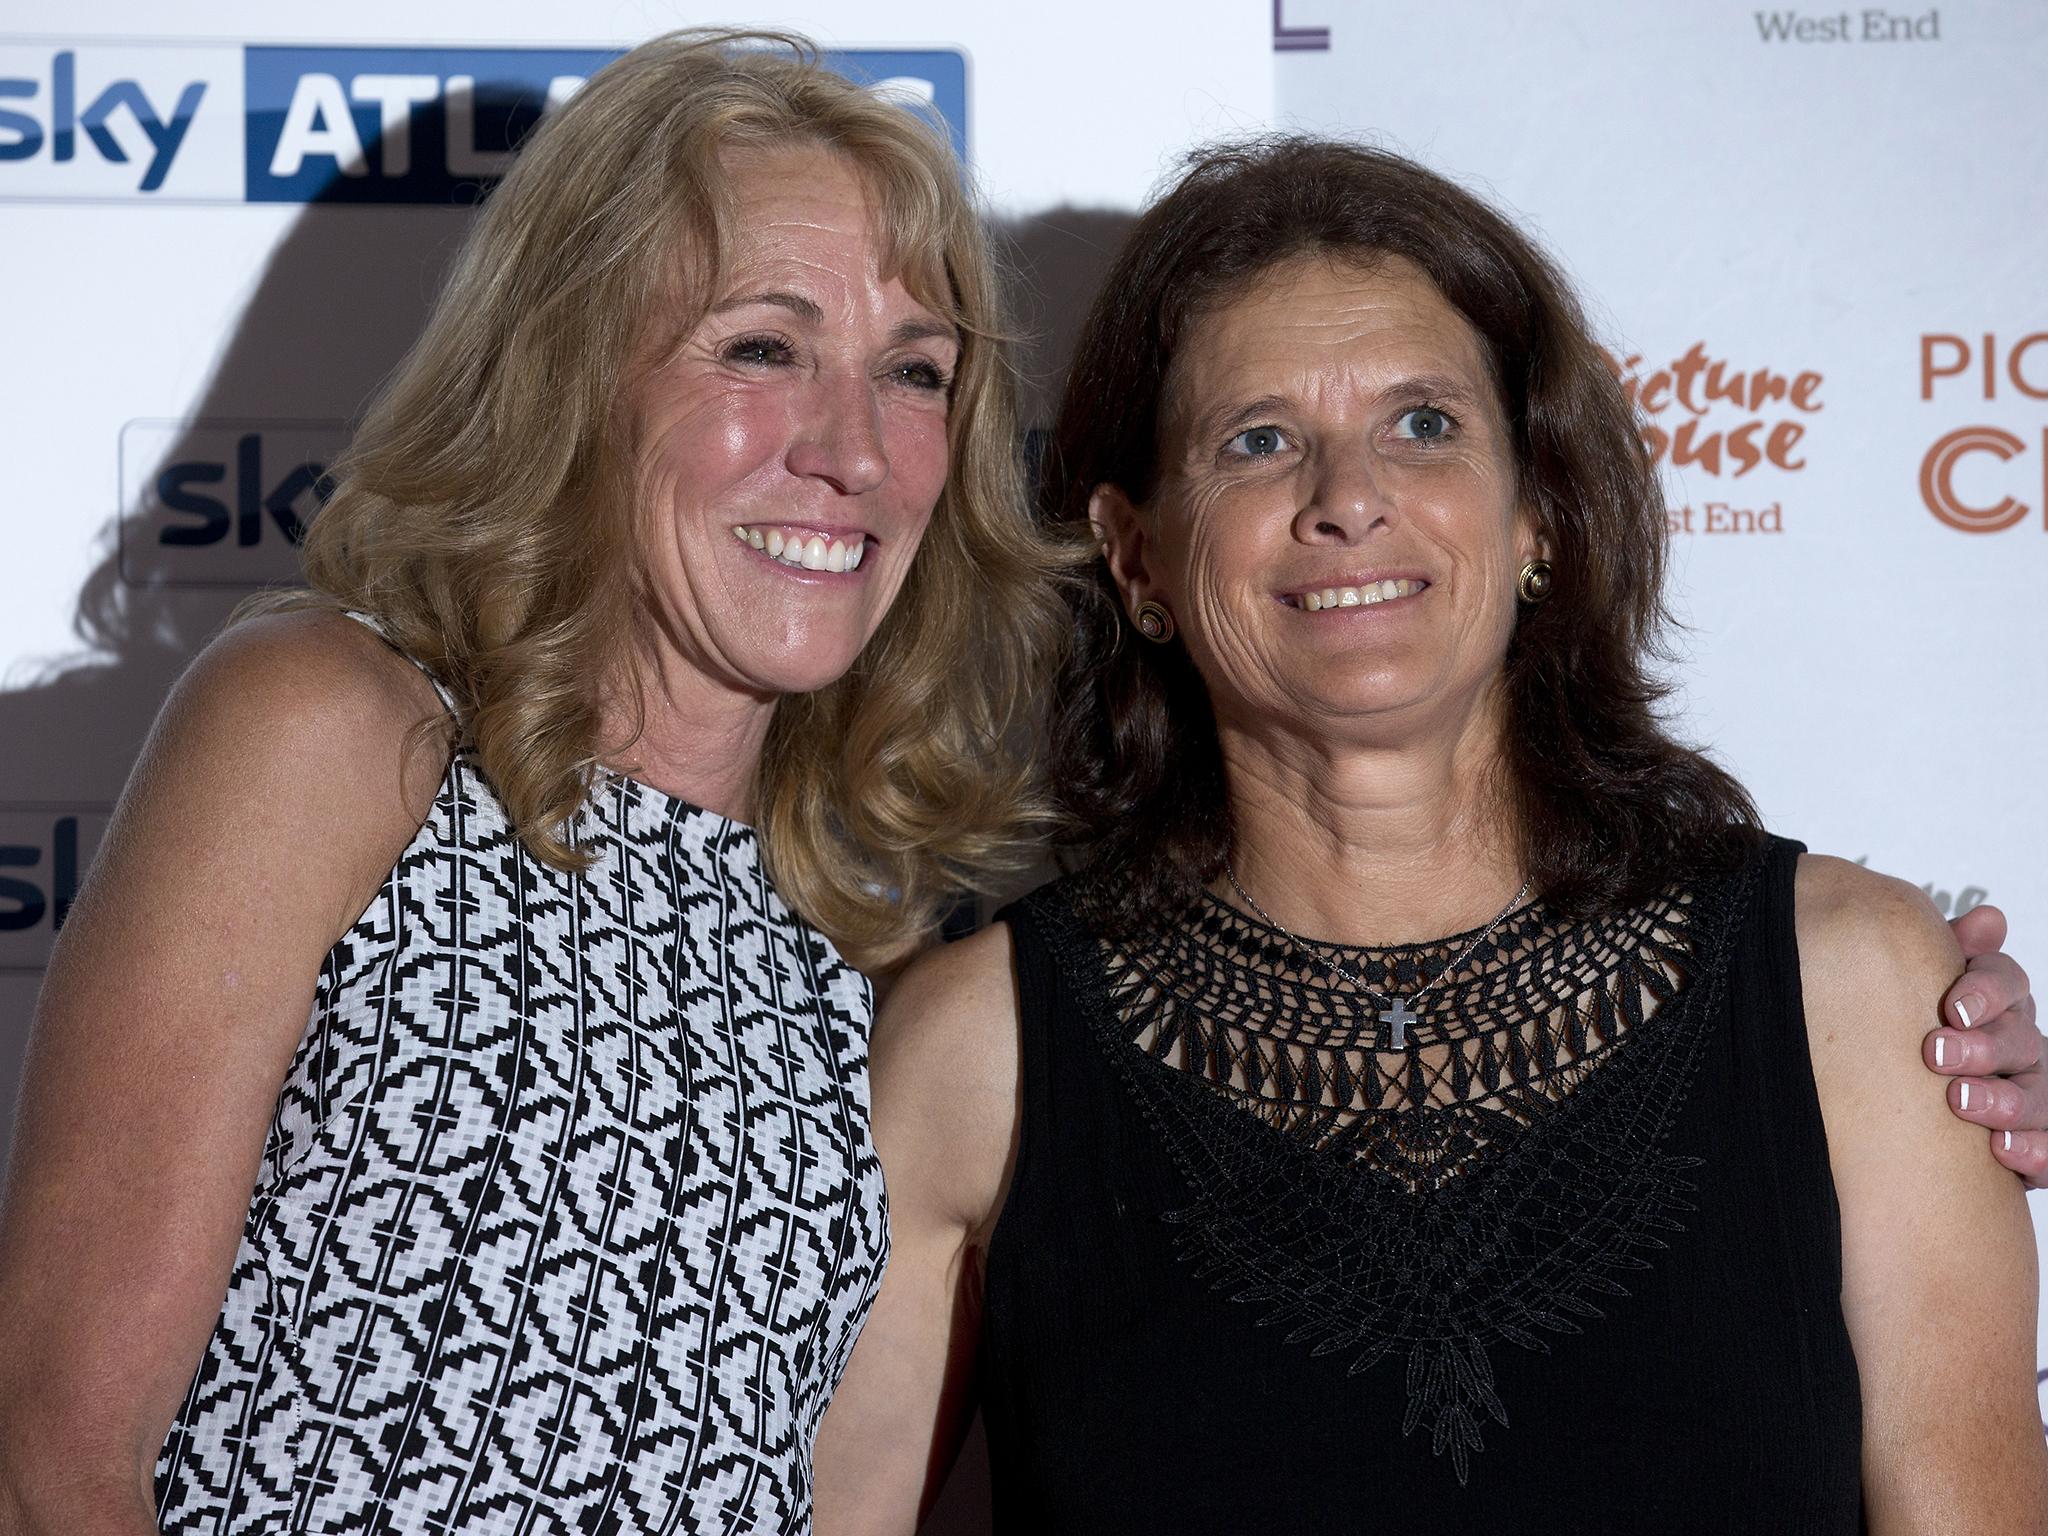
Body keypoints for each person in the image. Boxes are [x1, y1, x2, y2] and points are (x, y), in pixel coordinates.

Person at [813, 138, 2048, 1533]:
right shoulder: (977, 1050)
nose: (1349, 497)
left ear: (1540, 516)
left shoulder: (1860, 993)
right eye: (1258, 441)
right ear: (1138, 555)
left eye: (1423, 425)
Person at [0, 31, 1068, 1536]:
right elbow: (54, 1460)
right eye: (762, 348)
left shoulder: (848, 924)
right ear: (576, 370)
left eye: (914, 374)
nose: (856, 454)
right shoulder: (339, 731)